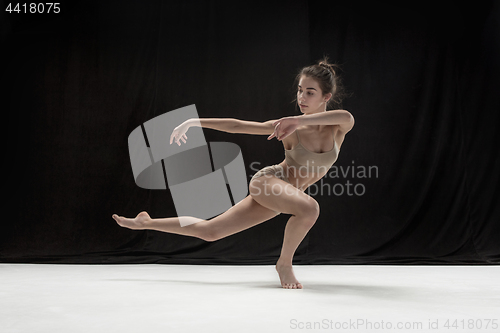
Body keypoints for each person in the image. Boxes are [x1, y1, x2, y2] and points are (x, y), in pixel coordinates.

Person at [112, 57, 355, 289]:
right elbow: (237, 126)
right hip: (270, 183)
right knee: (310, 209)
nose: (301, 97)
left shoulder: (337, 126)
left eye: (310, 92)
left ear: (327, 97)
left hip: (288, 195)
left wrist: (298, 121)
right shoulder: (286, 127)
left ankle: (146, 222)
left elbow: (346, 116)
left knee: (211, 231)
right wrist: (194, 122)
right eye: (300, 90)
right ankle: (284, 264)